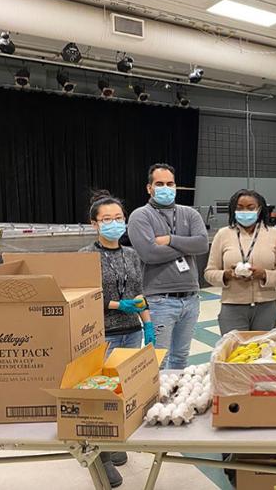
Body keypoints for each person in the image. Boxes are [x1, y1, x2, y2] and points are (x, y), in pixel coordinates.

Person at [80, 190, 153, 489]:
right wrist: (115, 305)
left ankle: (115, 438)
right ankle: (102, 455)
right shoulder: (86, 256)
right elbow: (85, 297)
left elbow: (138, 293)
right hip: (102, 334)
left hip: (131, 330)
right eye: (106, 219)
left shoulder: (132, 254)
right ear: (94, 224)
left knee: (123, 390)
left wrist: (147, 324)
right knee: (102, 393)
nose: (114, 223)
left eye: (118, 218)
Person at [128, 163, 209, 369]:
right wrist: (186, 244)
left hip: (191, 298)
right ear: (149, 188)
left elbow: (201, 244)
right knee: (158, 361)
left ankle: (177, 400)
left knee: (180, 358)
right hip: (159, 300)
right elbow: (150, 254)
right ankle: (156, 400)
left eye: (170, 183)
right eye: (160, 183)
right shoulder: (140, 216)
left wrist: (170, 239)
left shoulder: (190, 214)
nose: (166, 187)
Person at [204, 190, 276, 334]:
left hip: (266, 306)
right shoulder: (223, 234)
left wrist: (264, 275)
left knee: (263, 352)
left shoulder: (274, 234)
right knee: (235, 353)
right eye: (239, 208)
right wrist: (227, 275)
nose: (245, 211)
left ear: (260, 209)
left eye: (250, 208)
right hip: (232, 306)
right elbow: (209, 272)